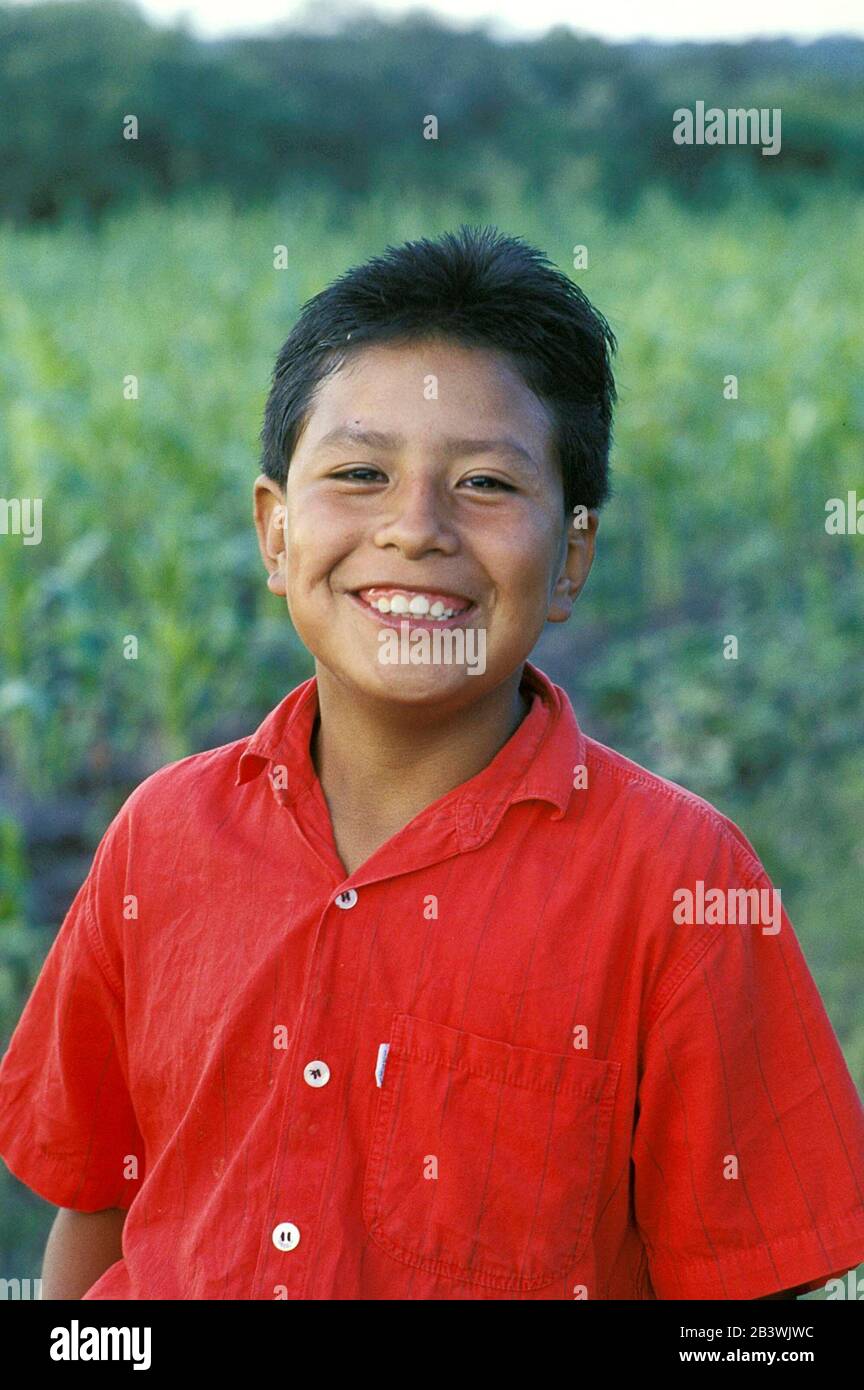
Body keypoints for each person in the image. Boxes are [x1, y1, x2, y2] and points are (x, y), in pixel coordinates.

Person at [1, 226, 862, 1300]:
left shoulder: (683, 880)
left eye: (488, 484)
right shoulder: (159, 835)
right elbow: (100, 1209)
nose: (416, 528)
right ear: (274, 534)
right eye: (360, 472)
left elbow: (751, 1301)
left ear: (572, 557)